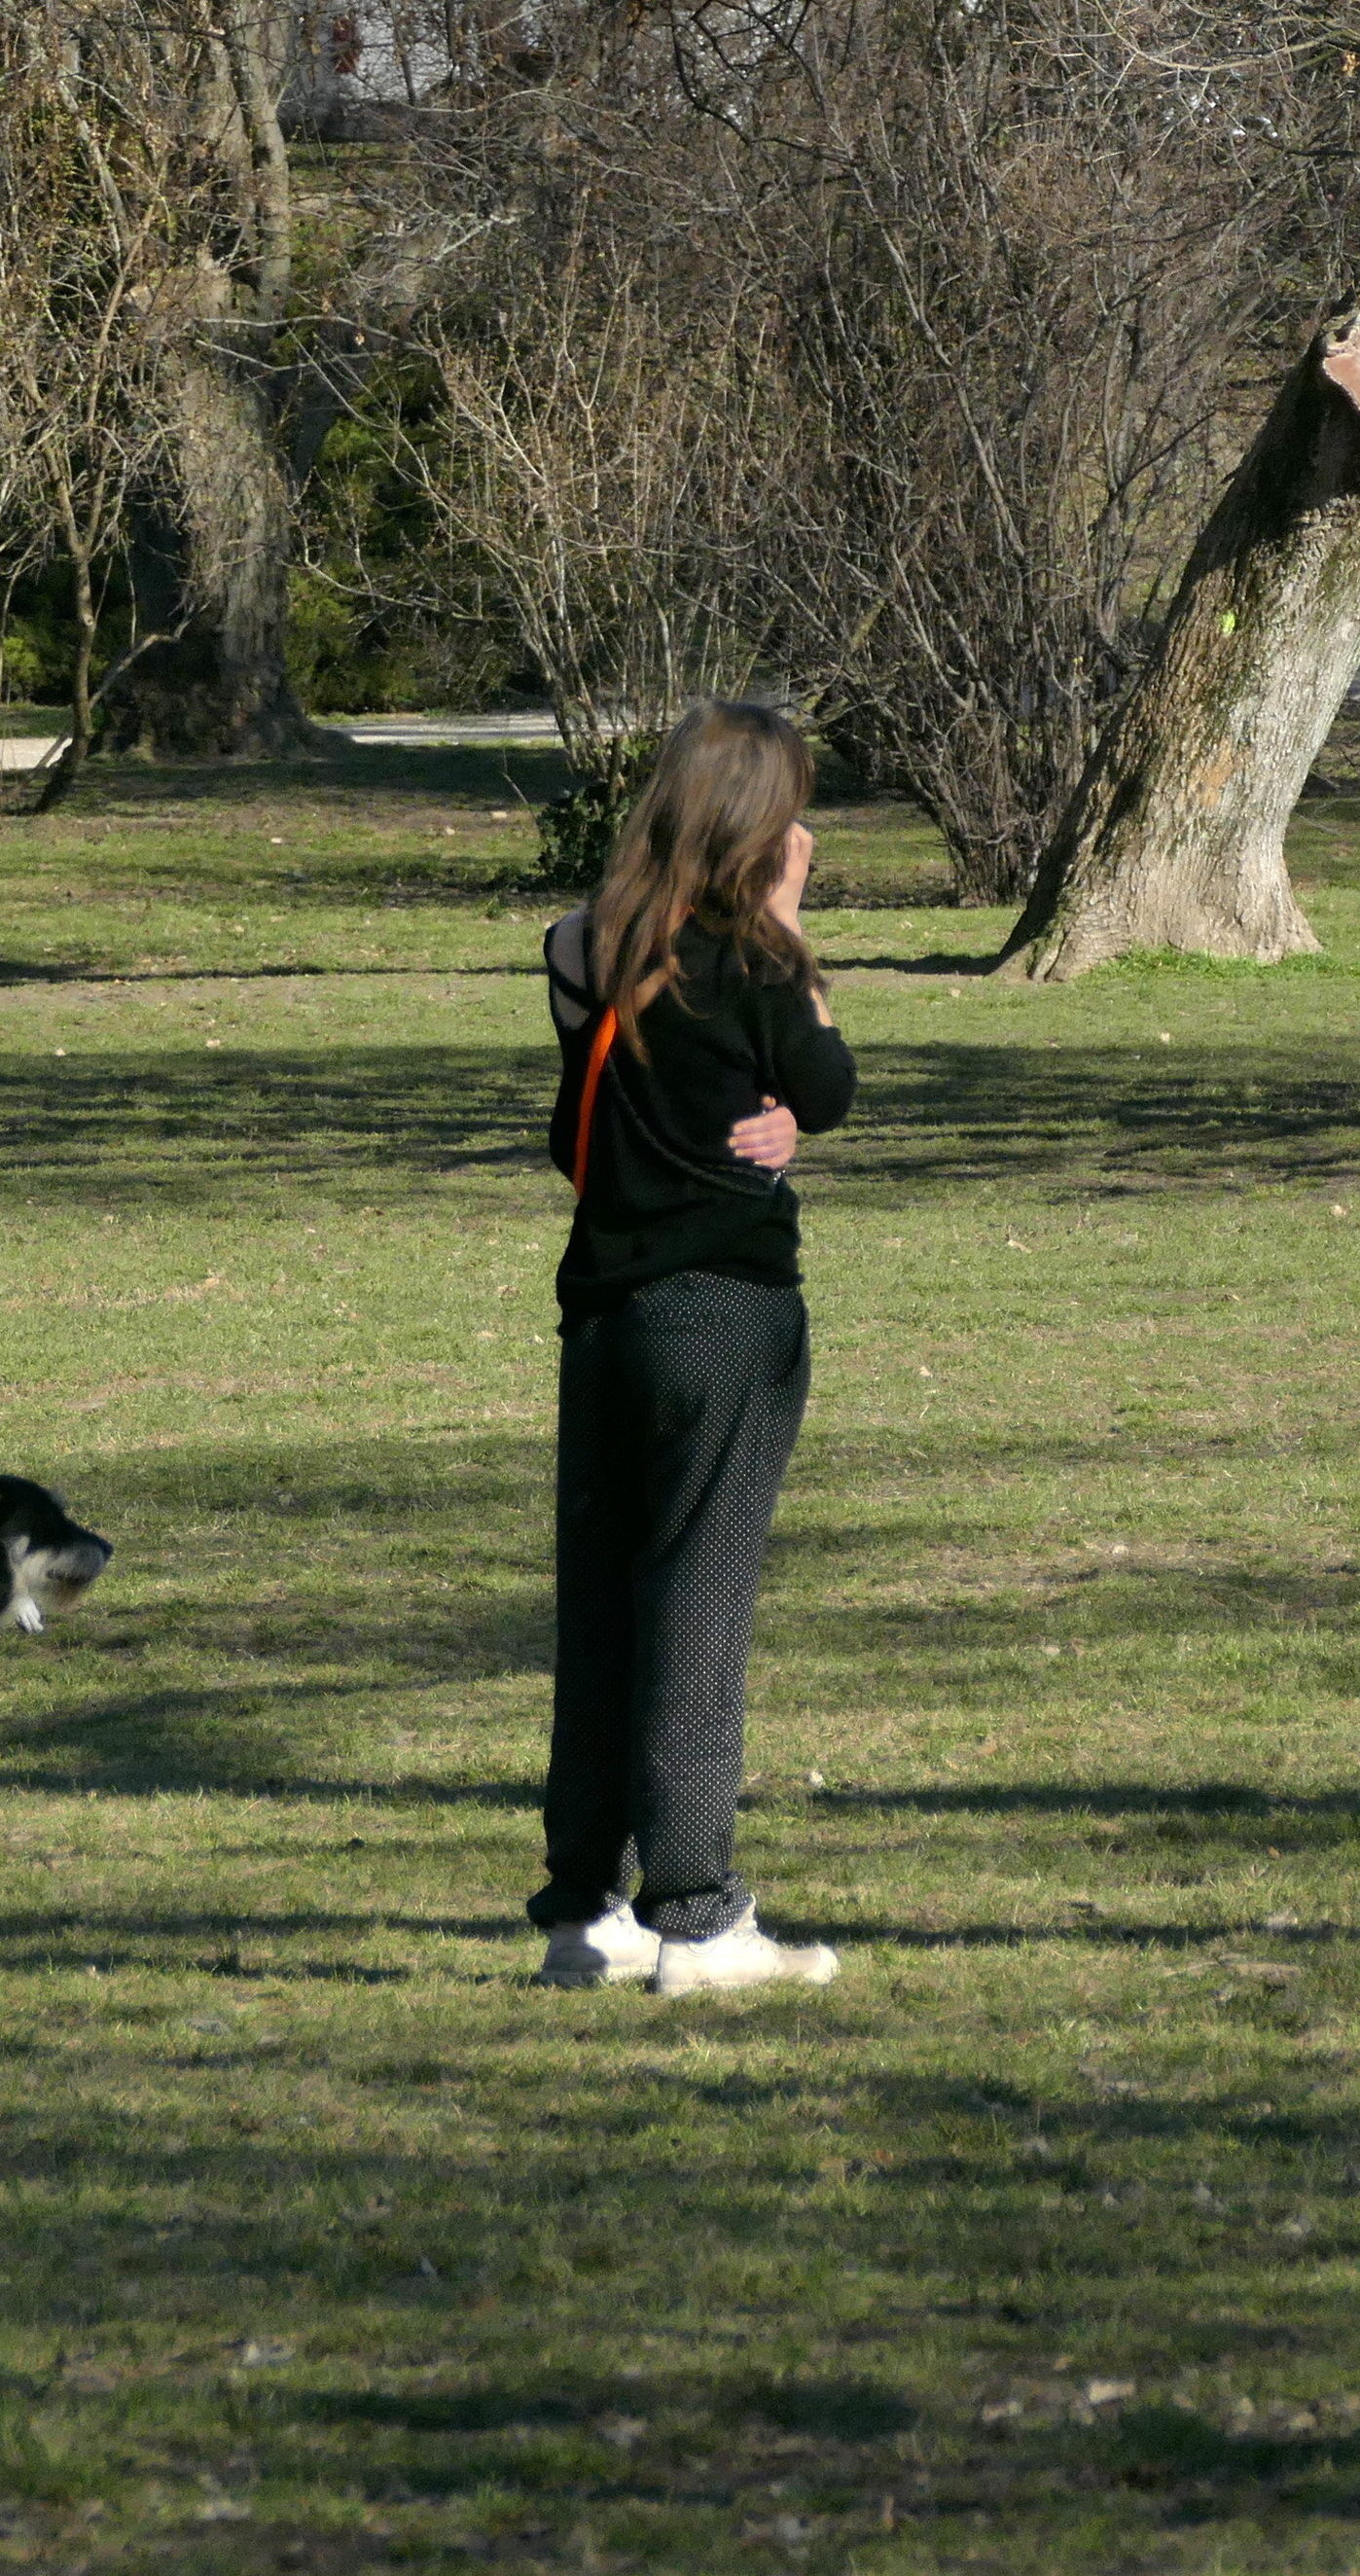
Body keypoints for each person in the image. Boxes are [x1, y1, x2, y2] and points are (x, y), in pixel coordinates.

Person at [529, 704, 855, 1992]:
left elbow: (593, 1108)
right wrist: (791, 929)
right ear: (757, 826)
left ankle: (580, 1908)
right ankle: (699, 1918)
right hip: (722, 1317)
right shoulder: (761, 961)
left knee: (602, 1607)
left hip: (603, 1320)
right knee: (695, 1608)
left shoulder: (581, 944)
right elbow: (823, 1095)